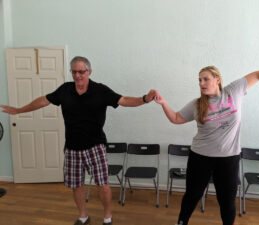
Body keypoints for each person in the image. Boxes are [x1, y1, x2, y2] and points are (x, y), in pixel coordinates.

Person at [1, 56, 157, 225]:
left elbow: (124, 100)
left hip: (95, 146)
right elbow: (43, 101)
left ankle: (107, 217)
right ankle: (83, 216)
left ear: (89, 72)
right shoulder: (65, 90)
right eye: (74, 72)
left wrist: (144, 99)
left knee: (103, 185)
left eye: (81, 72)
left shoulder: (100, 90)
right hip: (72, 148)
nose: (77, 75)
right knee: (76, 185)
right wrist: (19, 110)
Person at [154, 66, 259, 225]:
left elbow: (257, 75)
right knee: (193, 195)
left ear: (217, 79)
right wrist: (163, 103)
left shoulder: (233, 91)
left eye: (205, 79)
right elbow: (176, 118)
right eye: (199, 80)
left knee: (227, 200)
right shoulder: (197, 104)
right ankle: (181, 222)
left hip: (228, 159)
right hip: (200, 157)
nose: (201, 83)